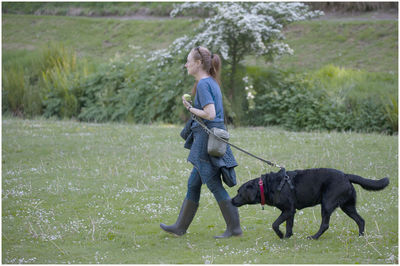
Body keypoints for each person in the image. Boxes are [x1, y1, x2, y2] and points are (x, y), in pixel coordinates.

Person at [160, 46, 242, 238]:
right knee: (193, 184)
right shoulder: (211, 82)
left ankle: (234, 228)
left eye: (189, 61)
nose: (186, 64)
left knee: (213, 184)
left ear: (198, 63)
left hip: (207, 142)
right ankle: (180, 227)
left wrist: (190, 108)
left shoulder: (204, 84)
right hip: (210, 139)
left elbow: (210, 114)